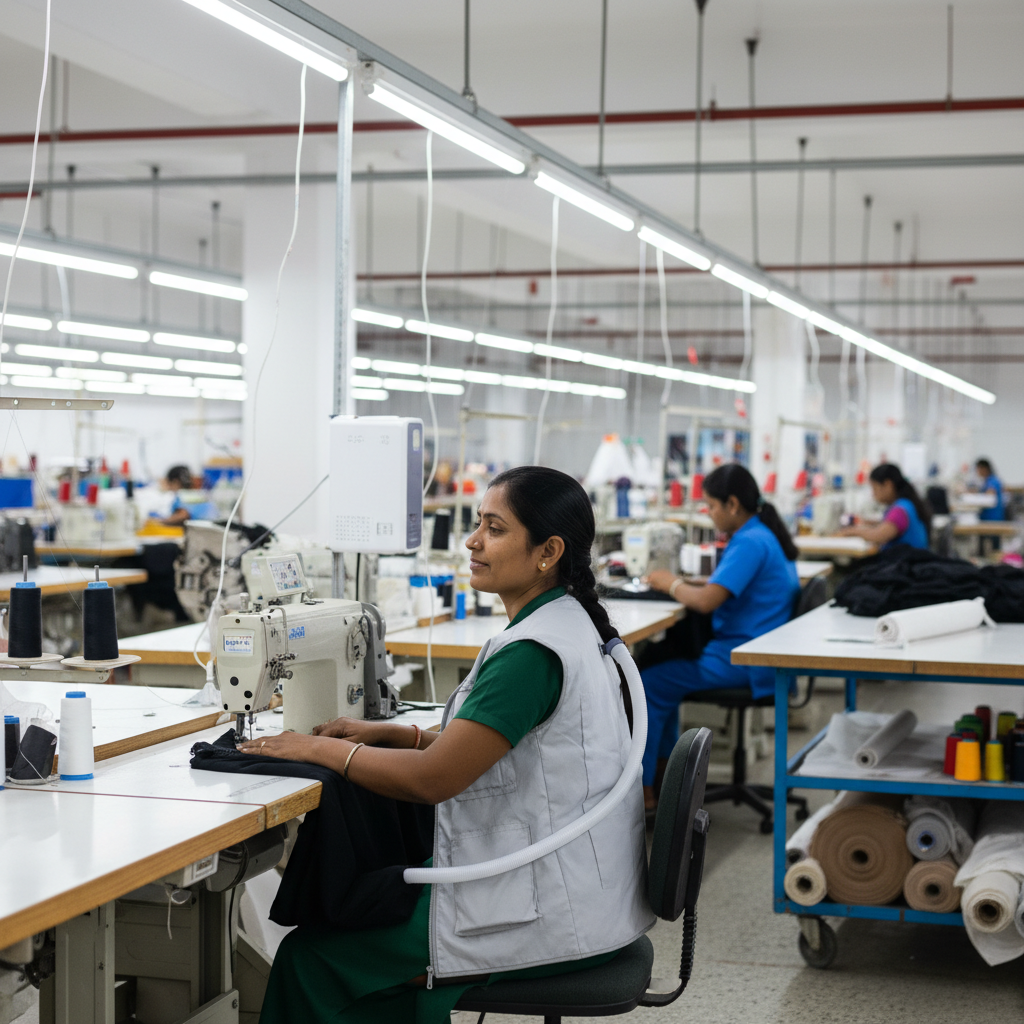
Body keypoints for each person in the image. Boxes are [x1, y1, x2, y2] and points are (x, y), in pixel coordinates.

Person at [242, 466, 652, 1024]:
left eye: (495, 528)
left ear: (547, 551)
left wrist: (320, 750)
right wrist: (402, 733)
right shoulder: (568, 624)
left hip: (547, 906)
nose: (472, 541)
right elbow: (519, 749)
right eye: (478, 523)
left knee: (311, 955)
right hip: (580, 884)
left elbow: (433, 780)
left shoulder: (532, 654)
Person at [642, 463, 799, 812]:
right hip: (758, 652)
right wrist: (687, 583)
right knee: (659, 674)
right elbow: (720, 588)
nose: (709, 514)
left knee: (647, 684)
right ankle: (664, 780)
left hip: (744, 660)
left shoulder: (749, 542)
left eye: (711, 506)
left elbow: (706, 601)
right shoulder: (761, 535)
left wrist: (669, 581)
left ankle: (646, 790)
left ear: (732, 504)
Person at [840, 462, 930, 549]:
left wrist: (850, 532)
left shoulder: (899, 510)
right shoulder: (907, 504)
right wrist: (868, 523)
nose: (873, 494)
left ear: (888, 485)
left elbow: (878, 536)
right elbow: (889, 525)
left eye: (874, 488)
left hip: (905, 562)